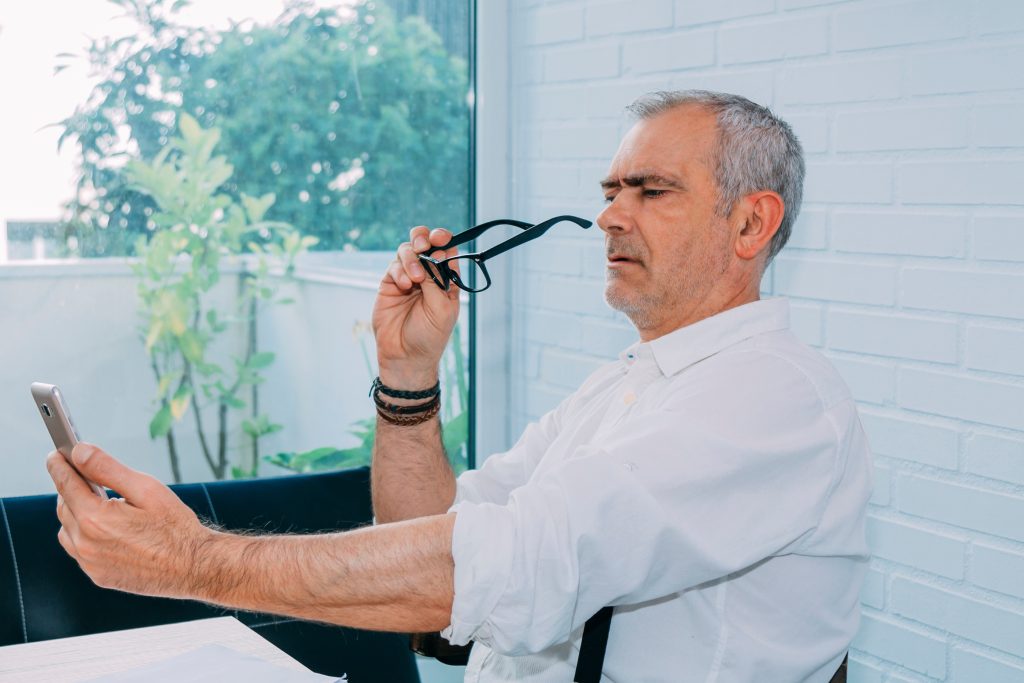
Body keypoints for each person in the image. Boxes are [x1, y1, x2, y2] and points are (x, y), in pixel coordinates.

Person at [47, 90, 872, 682]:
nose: (611, 217)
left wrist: (195, 560)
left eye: (651, 190)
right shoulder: (624, 389)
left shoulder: (774, 399)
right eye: (610, 191)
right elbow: (439, 547)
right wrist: (409, 378)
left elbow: (514, 562)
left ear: (751, 223)